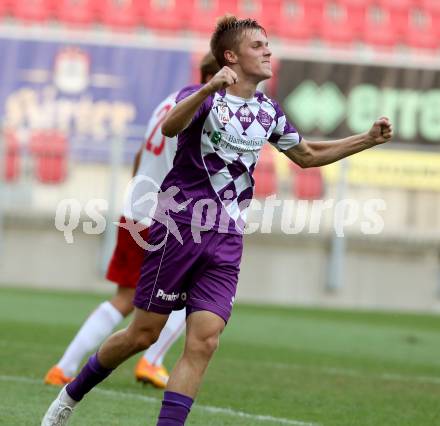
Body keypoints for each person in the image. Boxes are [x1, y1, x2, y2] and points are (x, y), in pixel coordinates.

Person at [41, 15, 393, 426]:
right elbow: (172, 127)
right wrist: (208, 87)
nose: (268, 51)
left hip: (226, 240)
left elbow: (308, 156)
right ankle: (69, 395)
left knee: (205, 340)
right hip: (177, 232)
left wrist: (366, 139)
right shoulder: (203, 97)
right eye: (258, 45)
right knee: (143, 334)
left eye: (268, 44)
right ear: (231, 56)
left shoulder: (268, 111)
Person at [43, 52, 220, 390]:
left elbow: (141, 153)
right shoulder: (207, 111)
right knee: (199, 291)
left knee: (124, 298)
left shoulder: (169, 101)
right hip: (169, 218)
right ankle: (152, 362)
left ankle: (63, 367)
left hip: (136, 211)